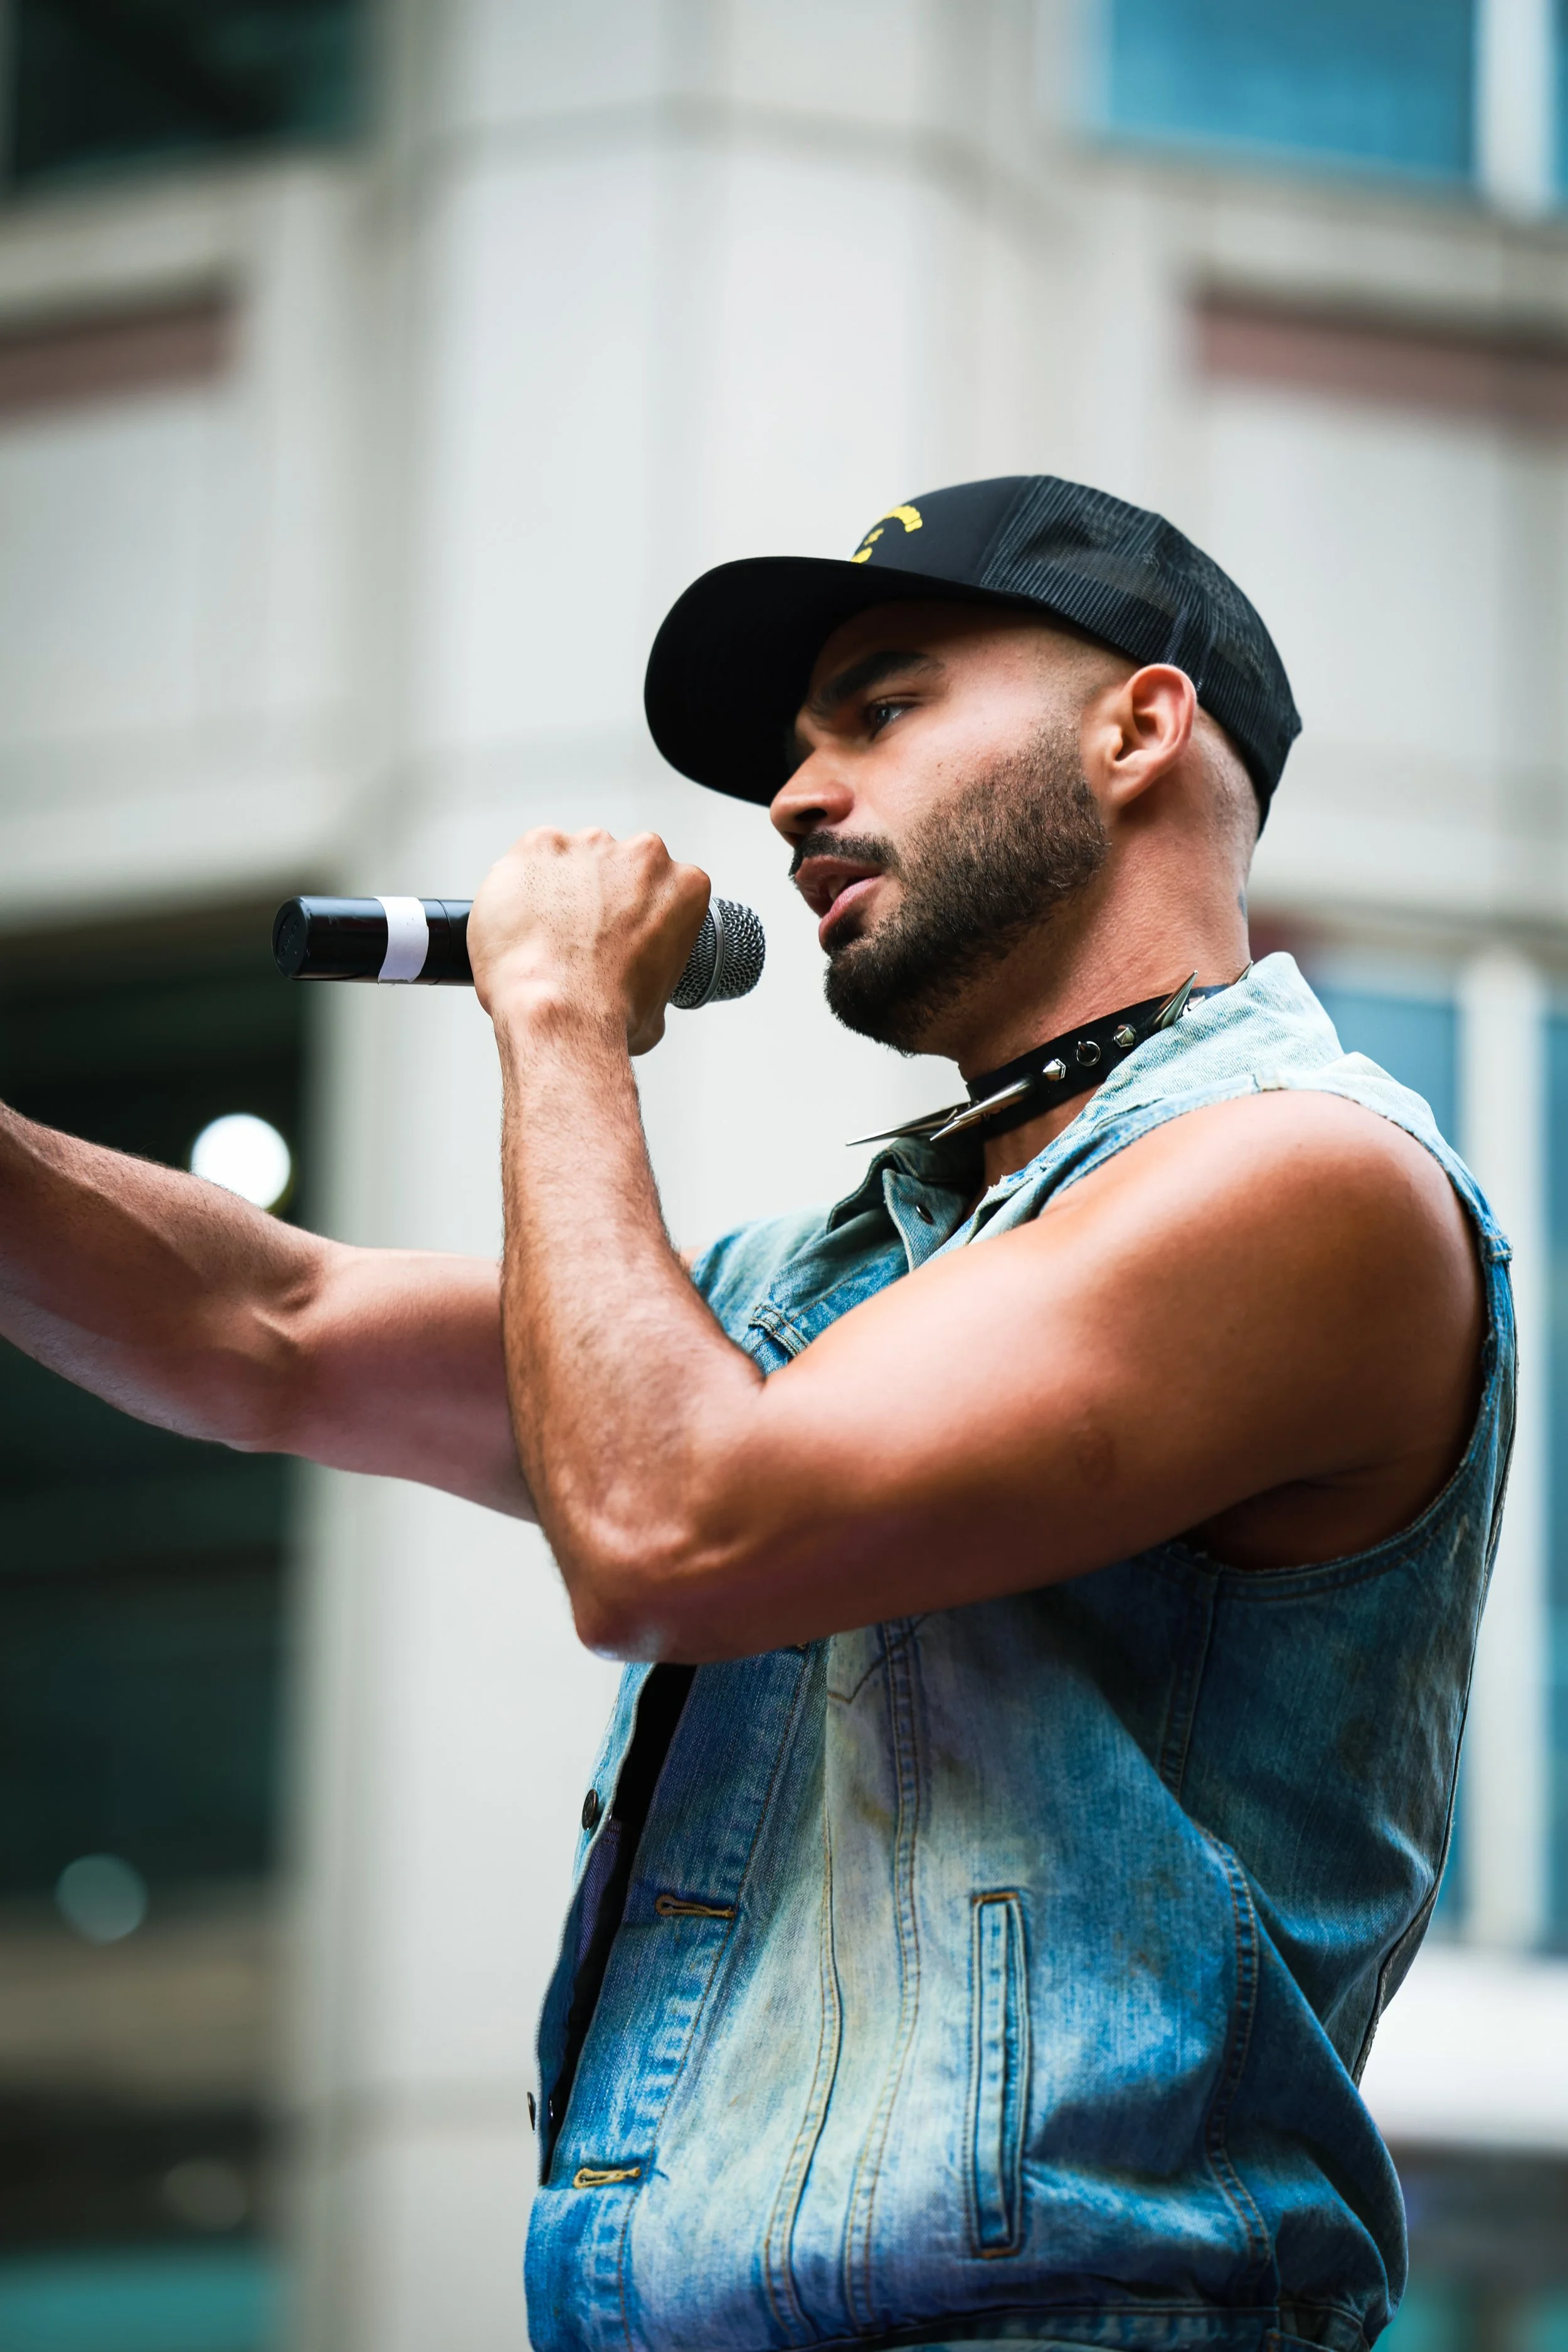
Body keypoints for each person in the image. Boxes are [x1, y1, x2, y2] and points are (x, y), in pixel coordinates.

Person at [0, 475, 1507, 2352]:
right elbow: (268, 1326)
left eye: (878, 710)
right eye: (791, 752)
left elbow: (672, 1535)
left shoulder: (1307, 1183)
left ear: (1137, 728)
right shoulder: (845, 1280)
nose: (790, 799)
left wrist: (557, 1017)